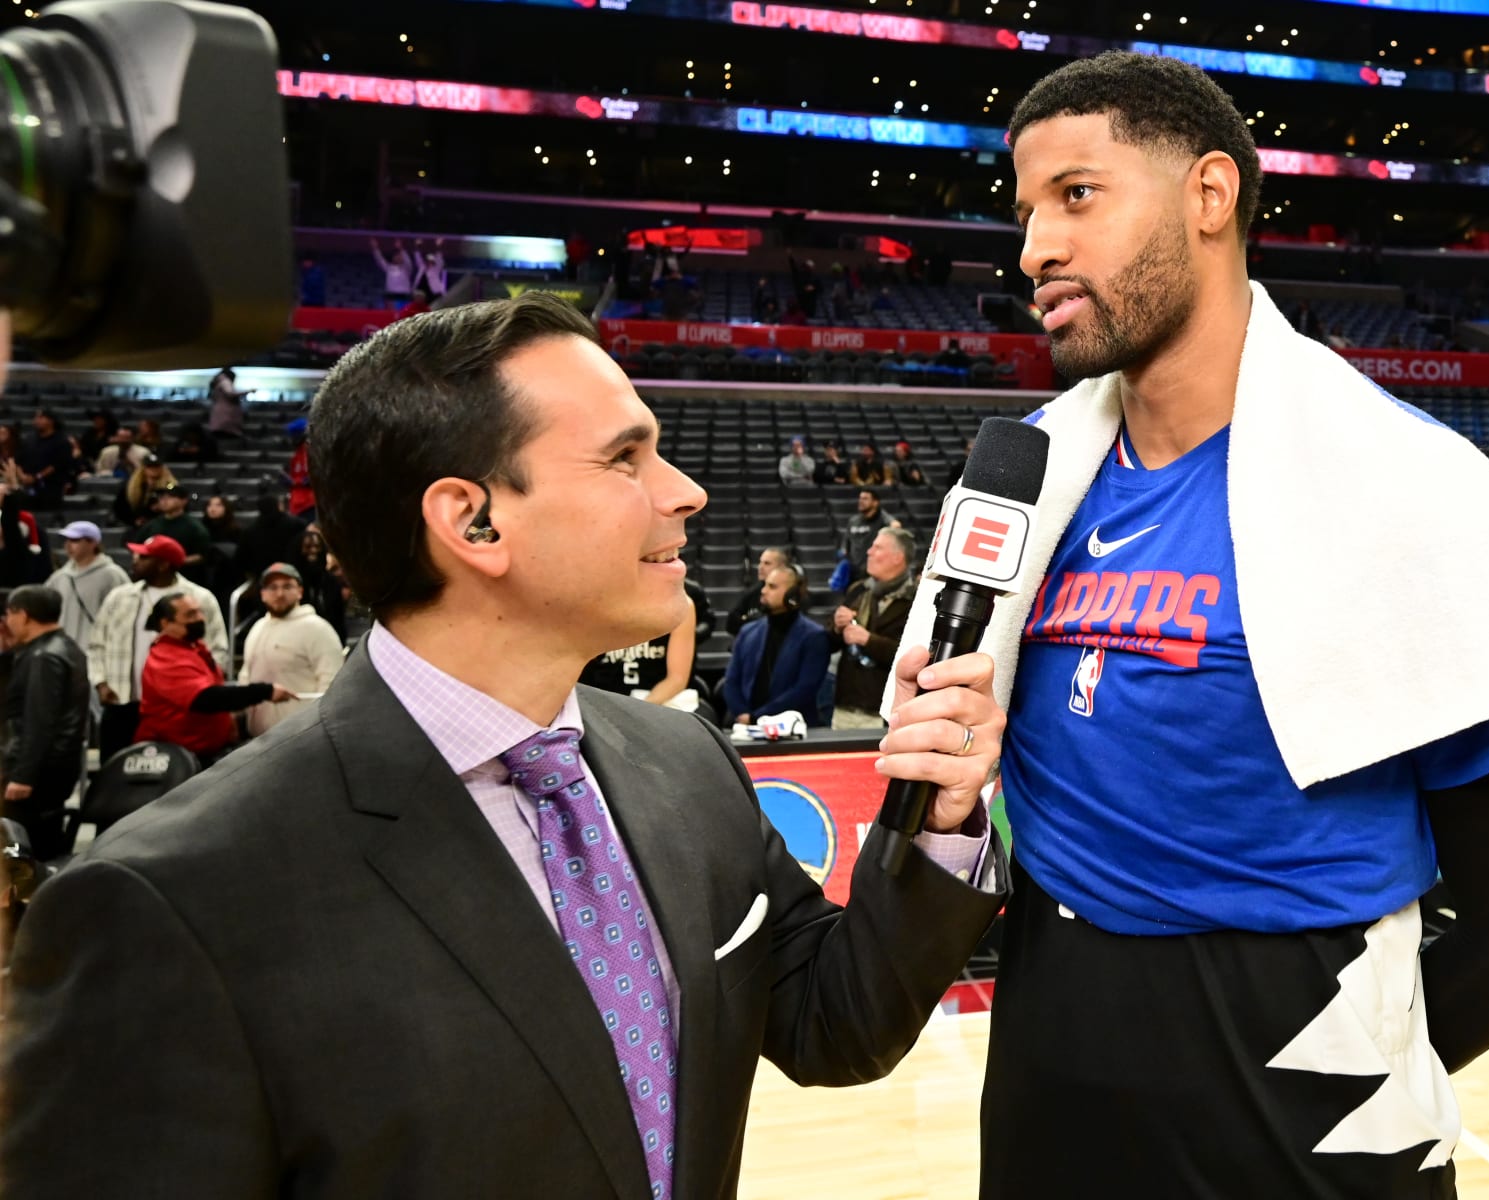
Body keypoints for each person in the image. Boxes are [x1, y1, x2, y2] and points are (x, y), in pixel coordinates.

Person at [0, 292, 1008, 1199]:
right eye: (626, 457)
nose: (686, 490)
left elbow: (839, 1023)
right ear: (472, 520)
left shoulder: (686, 763)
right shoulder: (165, 904)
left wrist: (939, 818)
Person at [906, 52, 1489, 1197]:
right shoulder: (1021, 490)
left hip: (1308, 1105)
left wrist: (1348, 1069)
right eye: (1026, 210)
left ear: (1209, 196)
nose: (1035, 246)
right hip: (1050, 1066)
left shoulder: (1419, 495)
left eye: (1077, 196)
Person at [86, 534, 228, 762]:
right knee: (114, 780)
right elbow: (96, 645)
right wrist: (100, 682)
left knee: (178, 780)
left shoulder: (200, 599)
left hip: (178, 712)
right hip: (122, 703)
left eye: (143, 557)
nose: (134, 560)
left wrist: (198, 692)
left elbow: (218, 651)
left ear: (163, 564)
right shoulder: (119, 597)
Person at [136, 591, 289, 762]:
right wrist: (264, 692)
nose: (200, 618)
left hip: (206, 750)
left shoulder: (194, 647)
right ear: (165, 623)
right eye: (190, 615)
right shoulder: (165, 657)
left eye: (199, 611)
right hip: (177, 757)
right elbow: (206, 698)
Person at [2, 586, 88, 859]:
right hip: (54, 766)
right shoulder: (65, 647)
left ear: (22, 615)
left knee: (22, 848)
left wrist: (22, 775)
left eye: (8, 615)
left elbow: (39, 721)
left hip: (37, 772)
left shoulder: (43, 657)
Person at [239, 563, 344, 737]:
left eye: (287, 586)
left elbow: (332, 685)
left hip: (300, 738)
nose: (279, 593)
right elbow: (245, 675)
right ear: (262, 594)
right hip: (257, 738)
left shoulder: (317, 629)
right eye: (272, 587)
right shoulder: (257, 627)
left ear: (300, 591)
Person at [721, 563, 829, 725]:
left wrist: (757, 717)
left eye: (772, 587)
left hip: (793, 729)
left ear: (792, 596)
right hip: (744, 726)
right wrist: (742, 714)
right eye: (765, 585)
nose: (763, 591)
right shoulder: (747, 632)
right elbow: (731, 681)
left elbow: (804, 689)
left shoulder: (815, 637)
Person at [831, 528, 915, 730]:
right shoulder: (858, 590)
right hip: (845, 704)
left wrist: (868, 640)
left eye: (877, 547)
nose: (869, 552)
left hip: (885, 712)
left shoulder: (916, 600)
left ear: (898, 558)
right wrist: (837, 625)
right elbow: (831, 642)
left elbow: (913, 657)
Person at [578, 594, 701, 714]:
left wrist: (639, 712)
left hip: (655, 702)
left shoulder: (679, 605)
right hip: (602, 703)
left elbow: (676, 679)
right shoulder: (595, 601)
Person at [45, 519, 129, 653]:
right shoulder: (60, 576)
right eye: (67, 540)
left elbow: (125, 613)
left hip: (97, 651)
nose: (68, 546)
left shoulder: (112, 575)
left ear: (93, 543)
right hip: (63, 651)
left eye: (75, 540)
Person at [136, 482, 213, 567]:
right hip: (154, 574)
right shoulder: (152, 525)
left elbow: (203, 555)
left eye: (170, 497)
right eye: (162, 497)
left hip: (183, 574)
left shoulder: (194, 527)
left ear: (184, 501)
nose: (164, 501)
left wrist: (175, 562)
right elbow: (138, 546)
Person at [725, 545, 792, 636]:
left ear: (781, 567)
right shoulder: (754, 592)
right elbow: (731, 624)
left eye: (767, 563)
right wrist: (753, 621)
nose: (760, 567)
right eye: (760, 562)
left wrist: (750, 620)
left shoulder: (792, 594)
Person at [19, 410, 75, 509]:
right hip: (27, 486)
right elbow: (18, 459)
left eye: (41, 418)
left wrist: (37, 477)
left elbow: (58, 464)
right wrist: (23, 476)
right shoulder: (29, 439)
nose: (36, 421)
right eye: (36, 418)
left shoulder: (62, 441)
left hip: (51, 488)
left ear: (51, 420)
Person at [842, 488, 899, 580]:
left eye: (865, 499)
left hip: (872, 572)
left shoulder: (881, 518)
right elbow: (846, 546)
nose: (861, 501)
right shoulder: (853, 521)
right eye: (860, 498)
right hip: (853, 571)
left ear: (875, 503)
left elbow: (896, 525)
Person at [111, 453, 175, 528]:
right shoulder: (131, 487)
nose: (153, 469)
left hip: (164, 525)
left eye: (156, 466)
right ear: (143, 468)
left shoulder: (170, 486)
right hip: (138, 527)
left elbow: (180, 504)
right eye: (150, 466)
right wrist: (134, 520)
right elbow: (120, 508)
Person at [207, 367, 255, 439]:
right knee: (227, 435)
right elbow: (230, 393)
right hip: (226, 413)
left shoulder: (218, 382)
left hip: (220, 412)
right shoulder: (225, 381)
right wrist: (248, 391)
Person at [371, 238, 417, 308]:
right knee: (391, 315)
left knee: (404, 315)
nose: (398, 257)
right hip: (391, 295)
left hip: (404, 295)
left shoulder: (407, 268)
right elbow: (380, 260)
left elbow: (408, 261)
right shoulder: (389, 268)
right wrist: (375, 248)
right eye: (396, 256)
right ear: (393, 258)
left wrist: (401, 249)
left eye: (400, 256)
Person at [284, 417, 316, 520]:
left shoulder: (308, 452)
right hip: (297, 504)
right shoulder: (296, 455)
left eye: (293, 436)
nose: (291, 439)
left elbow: (311, 480)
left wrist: (293, 482)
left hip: (308, 504)